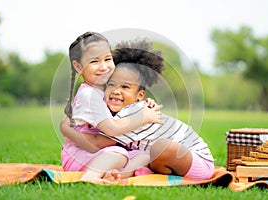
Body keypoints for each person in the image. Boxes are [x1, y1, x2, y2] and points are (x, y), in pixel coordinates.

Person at [61, 38, 214, 180]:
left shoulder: (132, 113)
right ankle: (126, 173)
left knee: (159, 149)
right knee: (144, 155)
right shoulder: (124, 108)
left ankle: (131, 172)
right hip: (182, 159)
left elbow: (97, 143)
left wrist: (66, 129)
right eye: (111, 84)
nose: (116, 91)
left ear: (139, 95)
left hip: (198, 160)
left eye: (125, 87)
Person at [61, 32, 162, 183]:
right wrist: (143, 117)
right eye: (94, 61)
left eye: (107, 59)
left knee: (144, 155)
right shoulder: (89, 95)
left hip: (98, 154)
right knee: (118, 153)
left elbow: (120, 107)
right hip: (79, 155)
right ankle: (90, 176)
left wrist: (141, 103)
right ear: (78, 66)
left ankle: (117, 176)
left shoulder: (102, 89)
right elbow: (112, 128)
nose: (103, 67)